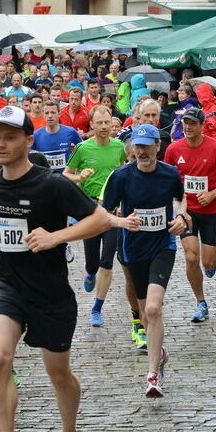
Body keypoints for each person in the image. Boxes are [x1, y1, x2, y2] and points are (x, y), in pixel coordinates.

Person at [0, 105, 110, 432]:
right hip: (7, 283)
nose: (0, 145)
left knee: (59, 374)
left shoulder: (52, 183)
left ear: (28, 141)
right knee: (0, 356)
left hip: (50, 292)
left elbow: (98, 218)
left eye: (10, 138)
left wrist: (57, 236)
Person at [102, 124, 187, 397]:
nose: (142, 151)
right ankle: (158, 351)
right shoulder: (121, 177)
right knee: (144, 311)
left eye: (147, 146)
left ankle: (152, 376)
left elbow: (181, 200)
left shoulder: (170, 174)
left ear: (157, 147)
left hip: (163, 246)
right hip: (133, 249)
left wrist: (182, 217)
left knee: (153, 308)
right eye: (138, 146)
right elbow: (103, 213)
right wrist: (121, 220)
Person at [163, 107, 216, 323]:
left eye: (192, 123)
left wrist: (213, 193)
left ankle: (211, 265)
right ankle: (200, 302)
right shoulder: (174, 150)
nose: (187, 126)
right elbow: (168, 180)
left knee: (208, 262)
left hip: (211, 210)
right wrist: (177, 206)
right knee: (190, 256)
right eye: (185, 122)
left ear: (202, 125)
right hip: (187, 211)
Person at [63, 106, 127, 327]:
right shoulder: (82, 148)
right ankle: (90, 274)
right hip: (89, 209)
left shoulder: (120, 147)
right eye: (99, 123)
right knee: (92, 263)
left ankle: (97, 308)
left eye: (107, 123)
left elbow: (124, 173)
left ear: (112, 124)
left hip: (111, 210)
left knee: (107, 262)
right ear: (91, 125)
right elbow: (66, 175)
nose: (103, 127)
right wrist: (79, 176)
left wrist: (122, 202)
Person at [32, 101, 81, 173]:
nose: (50, 116)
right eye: (46, 113)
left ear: (59, 114)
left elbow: (82, 149)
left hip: (65, 178)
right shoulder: (36, 135)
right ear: (43, 115)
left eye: (53, 112)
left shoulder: (70, 132)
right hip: (45, 178)